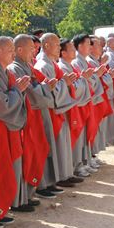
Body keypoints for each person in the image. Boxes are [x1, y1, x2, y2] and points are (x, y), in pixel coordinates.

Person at [0, 37, 29, 218]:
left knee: (9, 169)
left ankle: (3, 207)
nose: (13, 53)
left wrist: (17, 90)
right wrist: (17, 90)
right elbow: (0, 106)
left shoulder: (7, 73)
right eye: (10, 50)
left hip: (8, 128)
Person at [8, 35, 52, 205]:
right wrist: (46, 90)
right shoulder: (15, 69)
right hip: (26, 118)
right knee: (27, 156)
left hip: (34, 116)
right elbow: (32, 93)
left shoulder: (28, 66)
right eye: (31, 48)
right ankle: (22, 196)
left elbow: (38, 87)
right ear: (19, 50)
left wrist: (46, 88)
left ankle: (30, 192)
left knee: (36, 152)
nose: (34, 51)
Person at [34, 33, 80, 190]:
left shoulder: (51, 63)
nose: (59, 47)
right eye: (56, 44)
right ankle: (59, 176)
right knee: (57, 144)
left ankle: (65, 174)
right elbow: (48, 90)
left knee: (63, 143)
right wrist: (64, 83)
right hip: (51, 111)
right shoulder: (42, 65)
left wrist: (65, 83)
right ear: (46, 45)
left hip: (60, 109)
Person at [72, 34, 107, 172]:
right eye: (89, 44)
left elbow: (89, 79)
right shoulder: (76, 62)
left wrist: (98, 75)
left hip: (88, 101)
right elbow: (79, 83)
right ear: (79, 46)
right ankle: (80, 163)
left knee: (89, 131)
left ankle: (86, 158)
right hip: (81, 103)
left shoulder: (84, 61)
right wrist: (96, 76)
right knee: (81, 133)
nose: (91, 47)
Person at [58, 38, 92, 179]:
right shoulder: (63, 67)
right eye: (71, 49)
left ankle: (79, 163)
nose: (74, 51)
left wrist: (83, 79)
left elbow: (78, 84)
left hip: (77, 106)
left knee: (80, 136)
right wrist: (83, 80)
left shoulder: (71, 66)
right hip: (70, 108)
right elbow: (73, 88)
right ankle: (74, 166)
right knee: (73, 138)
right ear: (63, 53)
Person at [88, 37, 114, 146]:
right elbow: (96, 80)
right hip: (98, 97)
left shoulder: (95, 61)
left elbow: (102, 77)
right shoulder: (90, 62)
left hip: (104, 95)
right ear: (90, 47)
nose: (101, 47)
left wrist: (109, 75)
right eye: (98, 45)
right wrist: (107, 76)